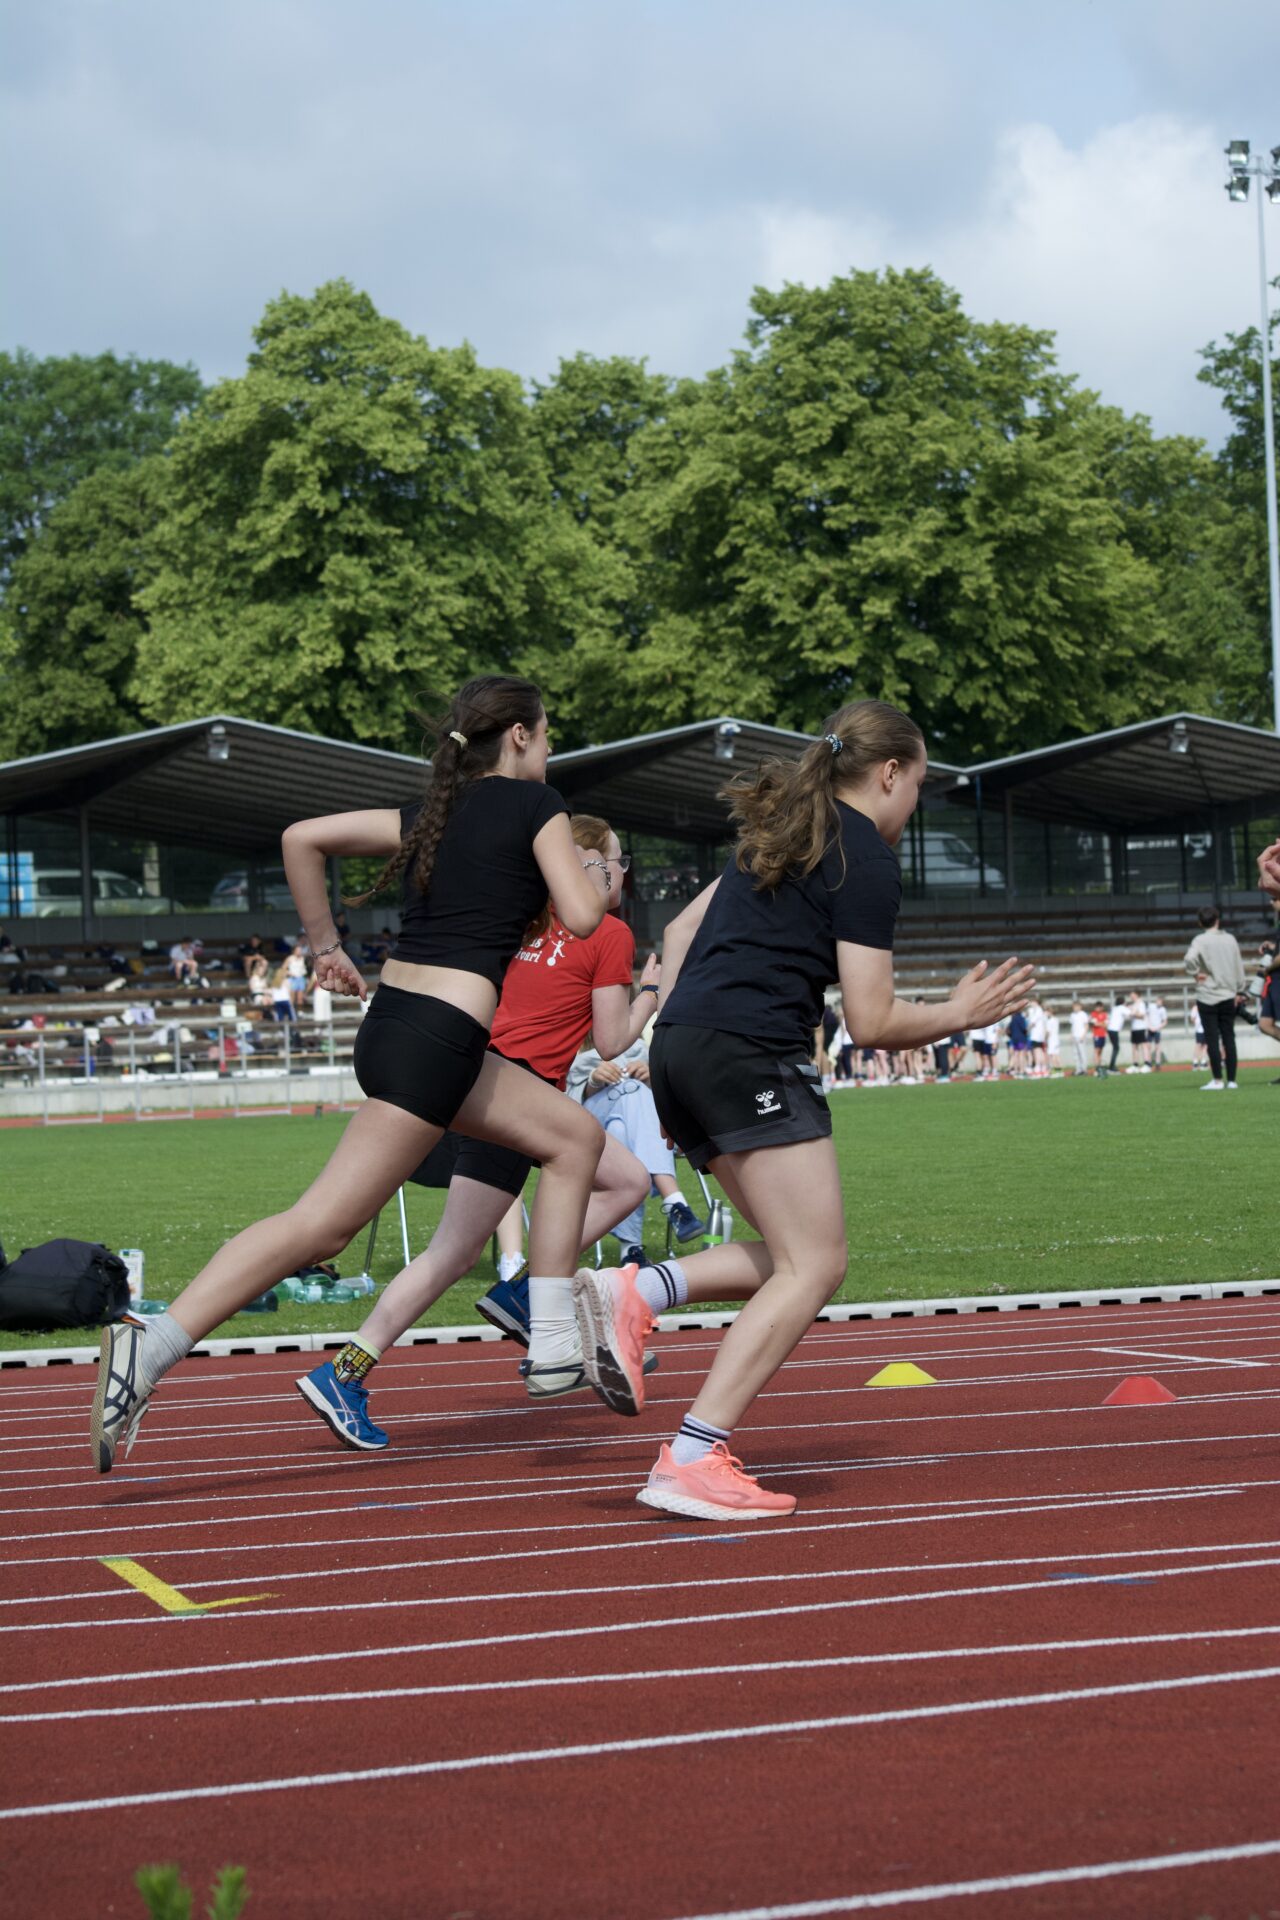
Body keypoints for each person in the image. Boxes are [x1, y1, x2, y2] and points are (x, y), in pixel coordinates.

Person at [90, 675, 610, 1472]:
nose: (550, 750)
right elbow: (582, 916)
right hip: (439, 1041)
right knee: (321, 1225)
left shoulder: (431, 813)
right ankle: (149, 1348)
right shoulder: (538, 805)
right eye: (546, 735)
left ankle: (549, 1341)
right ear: (518, 736)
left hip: (402, 1028)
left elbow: (302, 838)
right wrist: (588, 867)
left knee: (573, 1139)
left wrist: (325, 946)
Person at [576, 699, 1032, 1522]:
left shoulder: (779, 834)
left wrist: (679, 1031)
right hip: (747, 1052)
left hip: (682, 1049)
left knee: (795, 1256)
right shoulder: (864, 856)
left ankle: (641, 1291)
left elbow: (678, 932)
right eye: (917, 785)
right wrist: (960, 1014)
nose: (914, 803)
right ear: (888, 773)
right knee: (817, 1265)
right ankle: (691, 1454)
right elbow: (872, 1020)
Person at [295, 810, 663, 1444]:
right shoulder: (609, 932)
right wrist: (652, 993)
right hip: (520, 1100)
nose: (622, 873)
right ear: (589, 867)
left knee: (478, 1239)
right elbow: (611, 1040)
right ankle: (517, 1300)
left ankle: (514, 1298)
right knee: (611, 1188)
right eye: (616, 861)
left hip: (474, 1077)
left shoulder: (526, 917)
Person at [567, 1039, 707, 1263]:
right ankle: (674, 1200)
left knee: (620, 1127)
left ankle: (630, 1250)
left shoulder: (638, 1046)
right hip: (592, 1127)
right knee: (633, 1090)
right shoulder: (575, 1044)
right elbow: (567, 1099)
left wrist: (652, 1079)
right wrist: (593, 1080)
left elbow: (666, 1098)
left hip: (633, 1130)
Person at [1184, 904, 1245, 1092]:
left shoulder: (1200, 940)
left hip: (1208, 994)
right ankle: (1232, 1080)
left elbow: (1189, 959)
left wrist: (1195, 973)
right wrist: (1240, 990)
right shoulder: (1230, 939)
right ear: (1217, 920)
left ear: (1200, 923)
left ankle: (1217, 1079)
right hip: (1228, 994)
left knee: (1211, 1038)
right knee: (1229, 1037)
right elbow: (1238, 966)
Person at [1126, 990, 1149, 1072]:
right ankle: (1135, 1065)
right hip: (1134, 1028)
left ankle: (1147, 1064)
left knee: (1144, 1045)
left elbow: (1142, 1015)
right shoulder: (1133, 1004)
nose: (1131, 996)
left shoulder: (1141, 1003)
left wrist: (1133, 1013)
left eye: (1132, 995)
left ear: (1137, 995)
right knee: (1134, 1046)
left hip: (1141, 1027)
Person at [1106, 994, 1127, 1073]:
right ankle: (1111, 1067)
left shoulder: (1114, 1008)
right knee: (1116, 1048)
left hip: (1110, 1029)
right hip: (1114, 1030)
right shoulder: (1122, 1008)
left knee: (1115, 1048)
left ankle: (1111, 1066)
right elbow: (1130, 1013)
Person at [1148, 995, 1168, 1070]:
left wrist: (1157, 1028)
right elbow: (1146, 1016)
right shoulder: (1151, 1006)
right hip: (1150, 1029)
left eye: (1161, 1001)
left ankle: (1158, 1063)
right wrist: (1149, 1026)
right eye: (1158, 1001)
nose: (1159, 1002)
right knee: (1148, 1046)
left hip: (1157, 1030)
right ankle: (1148, 1062)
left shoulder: (1163, 1010)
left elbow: (1165, 1022)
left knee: (1157, 1047)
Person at [1069, 1002, 1089, 1075]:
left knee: (1082, 1053)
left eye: (1076, 1006)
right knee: (1076, 1054)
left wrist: (1083, 1035)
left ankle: (1084, 1069)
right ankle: (1078, 1069)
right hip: (1075, 1036)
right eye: (1074, 1007)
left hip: (1081, 1036)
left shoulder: (1083, 1014)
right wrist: (1071, 1035)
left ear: (1080, 1007)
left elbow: (1086, 1025)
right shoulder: (1072, 1015)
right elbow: (1072, 1026)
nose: (1075, 1008)